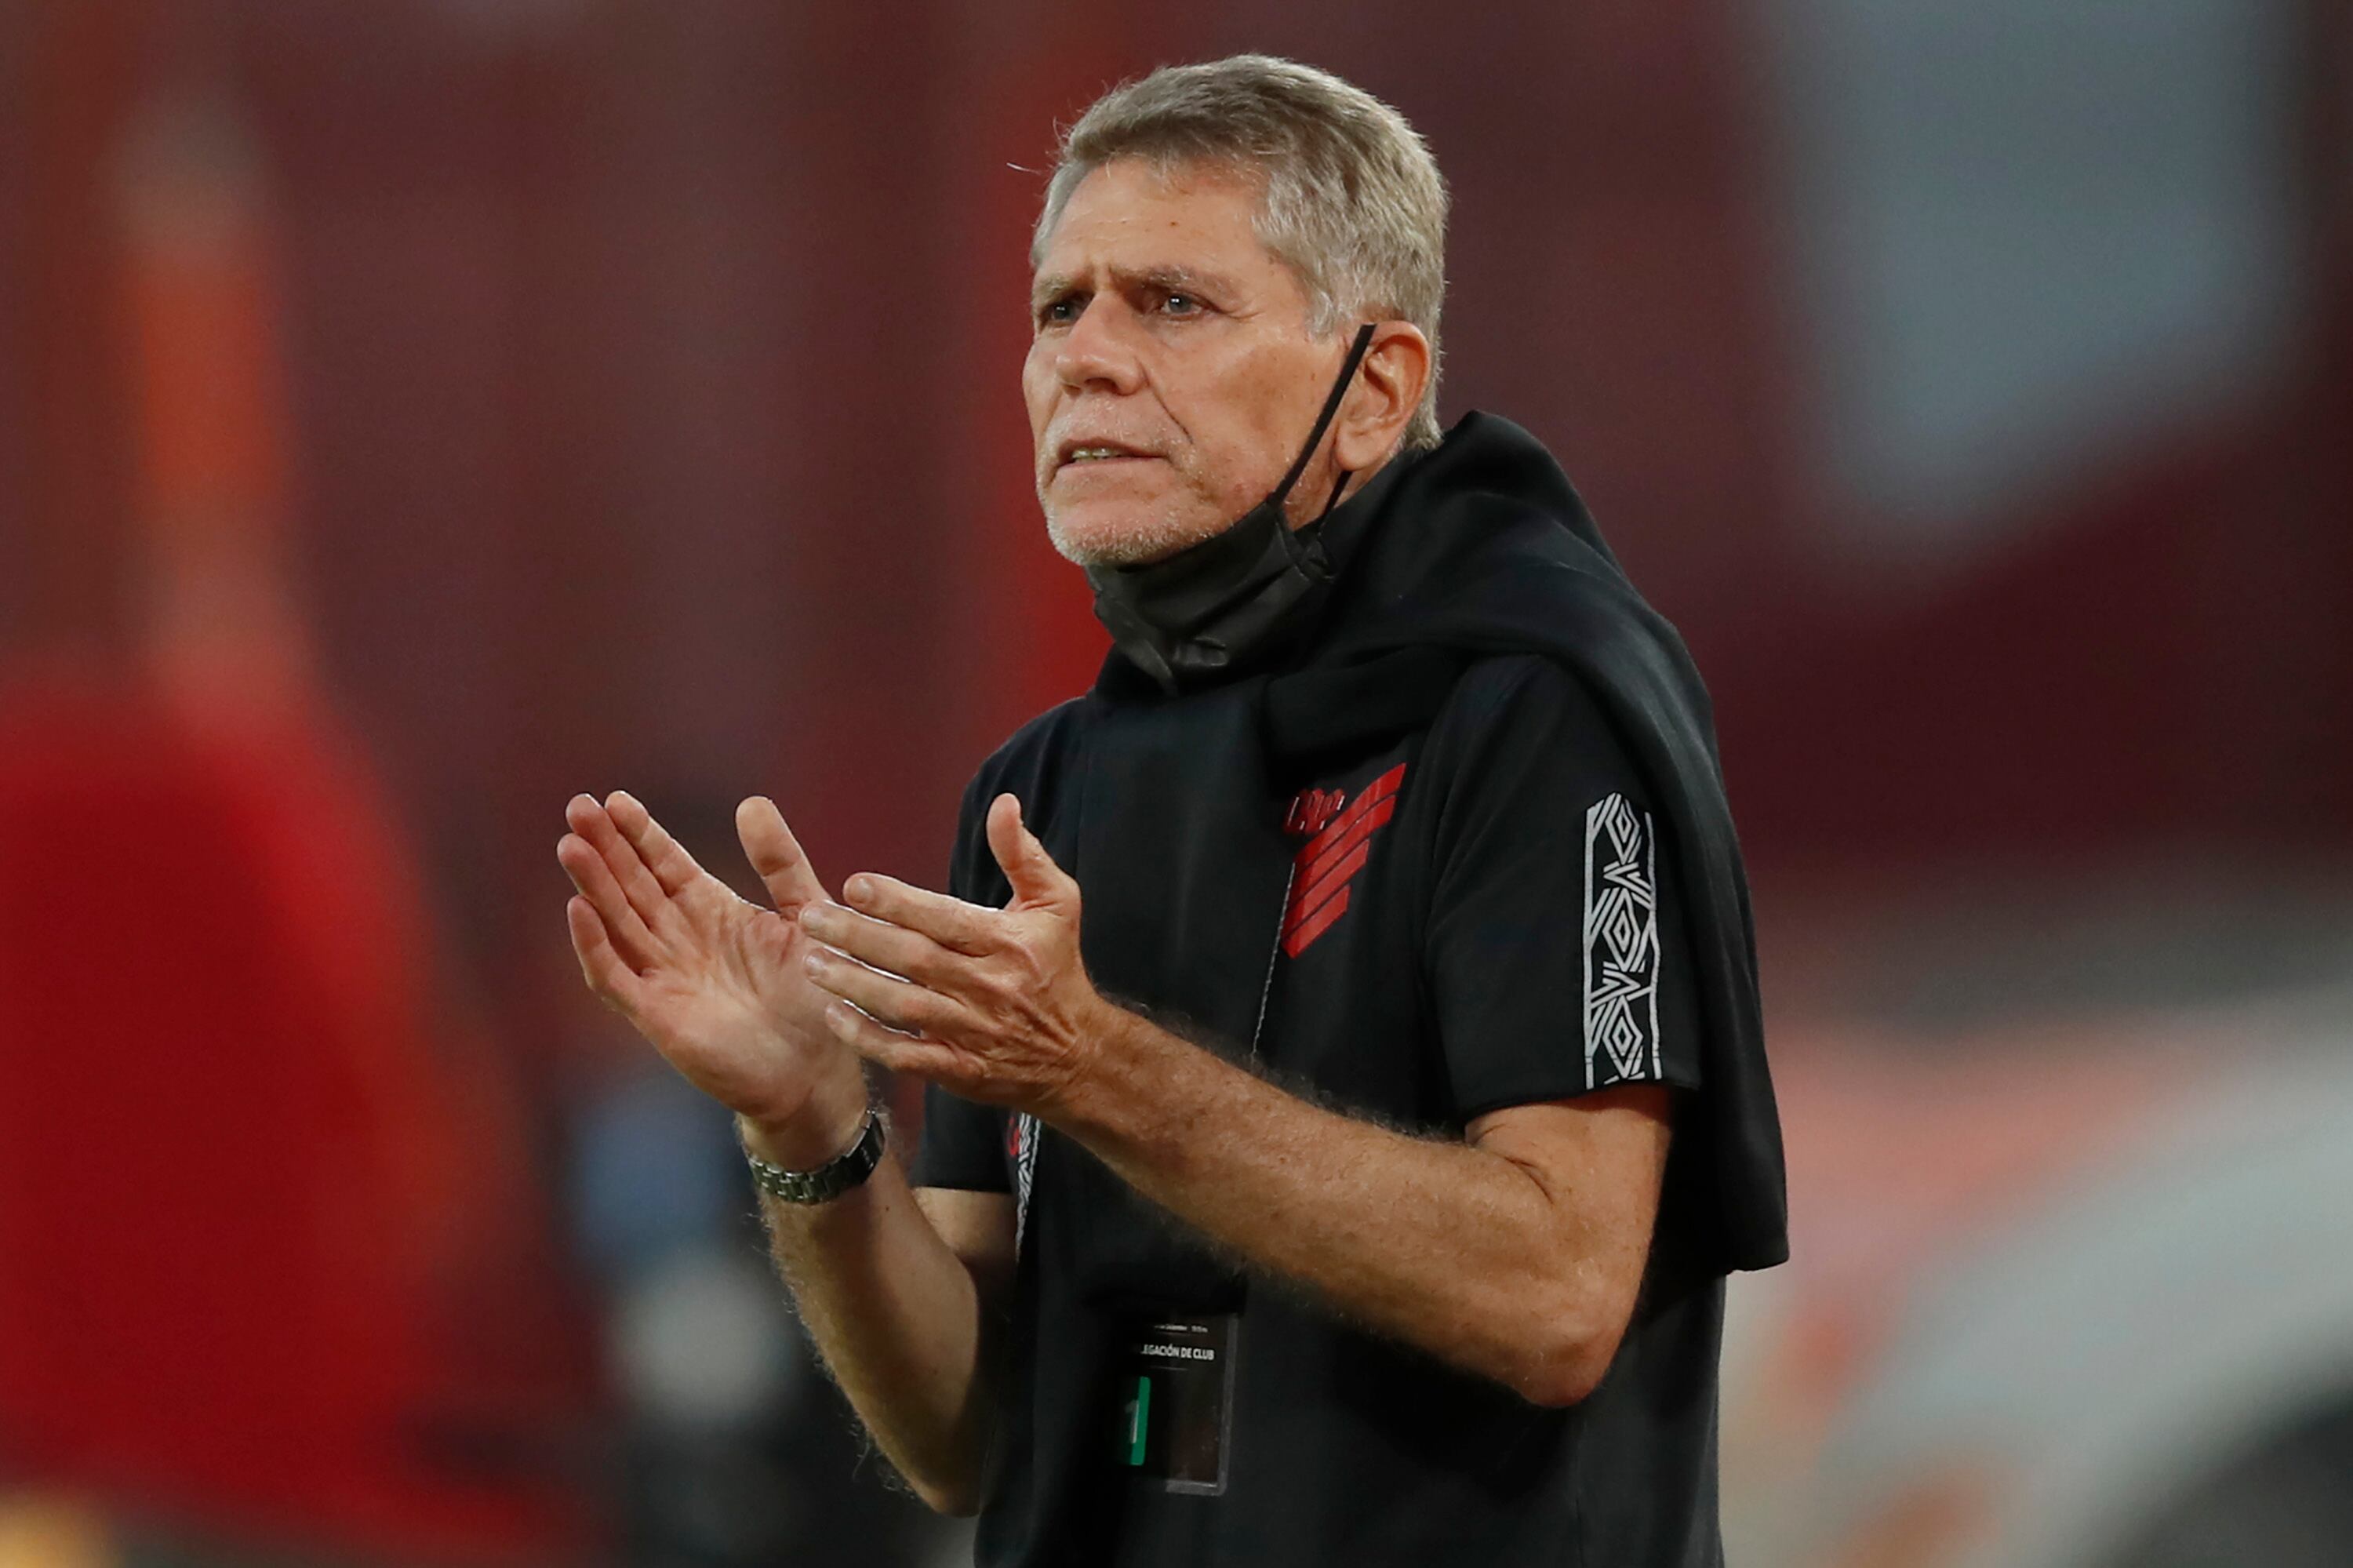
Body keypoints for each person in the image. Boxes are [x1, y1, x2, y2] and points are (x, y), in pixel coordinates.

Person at [557, 55, 1787, 1567]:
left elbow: (1556, 1295)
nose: (1088, 356)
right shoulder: (1038, 791)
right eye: (1059, 307)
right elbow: (967, 1438)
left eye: (1173, 303)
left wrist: (1091, 1068)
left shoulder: (1537, 710)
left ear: (1374, 387)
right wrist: (813, 1127)